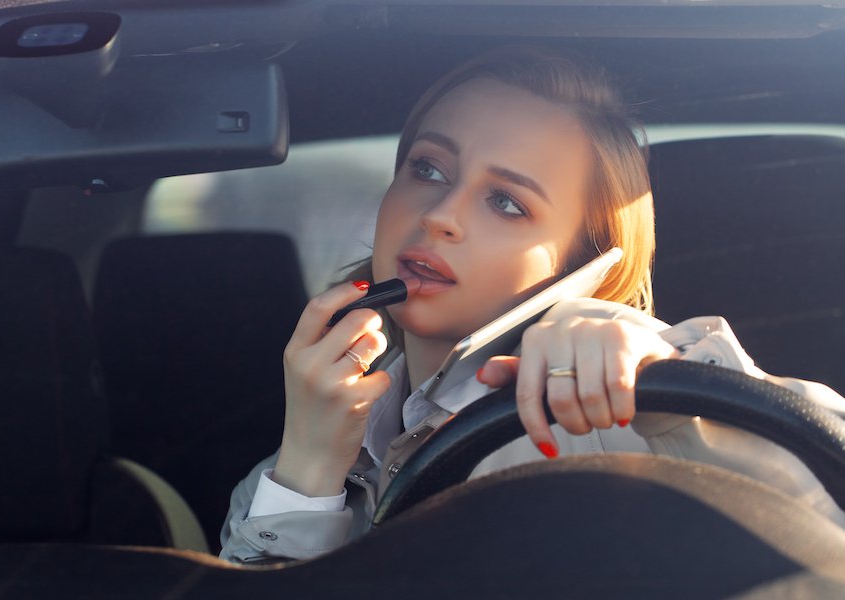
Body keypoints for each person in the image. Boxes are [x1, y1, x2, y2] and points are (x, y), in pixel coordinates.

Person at [220, 47, 845, 563]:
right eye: (429, 169)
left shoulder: (625, 416)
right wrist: (308, 469)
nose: (440, 216)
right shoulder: (280, 479)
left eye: (507, 203)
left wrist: (672, 386)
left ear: (580, 265)